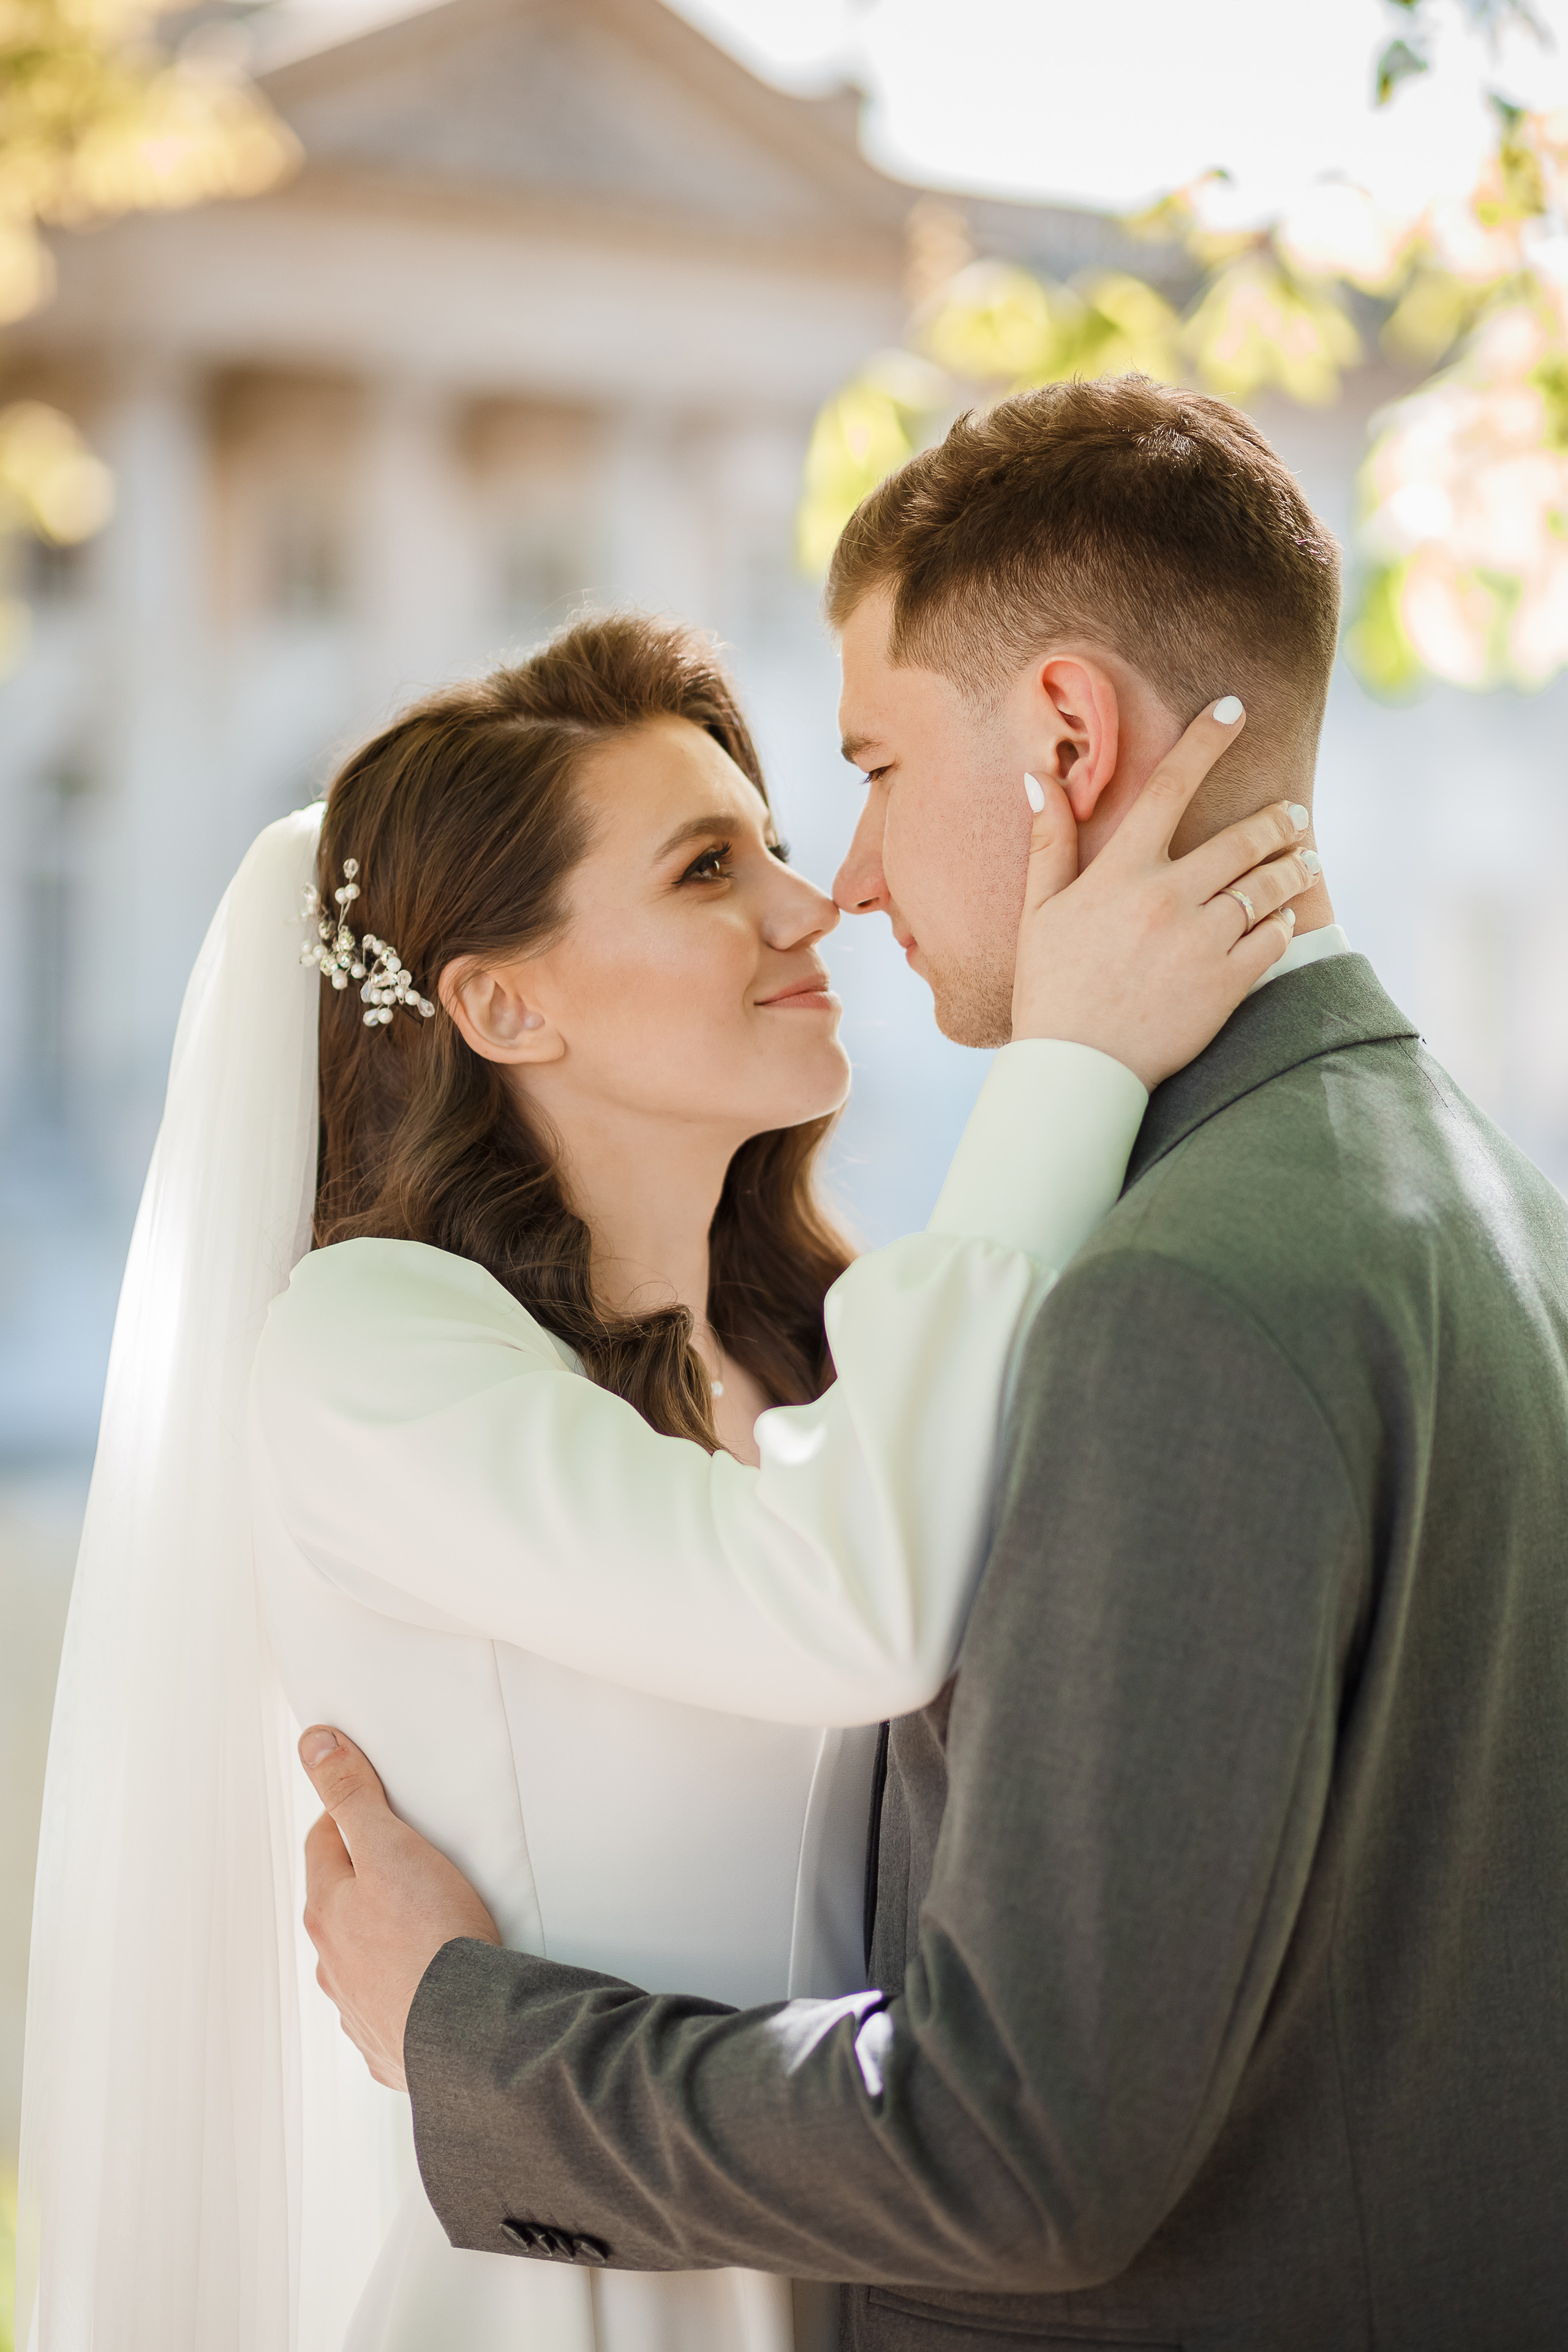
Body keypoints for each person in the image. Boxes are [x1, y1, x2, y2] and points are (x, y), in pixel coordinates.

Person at [301, 376, 1568, 2352]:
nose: (848, 884)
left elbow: (1020, 2137)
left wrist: (465, 2036)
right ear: (494, 1004)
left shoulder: (1170, 1301)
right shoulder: (1486, 1199)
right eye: (713, 867)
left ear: (1067, 737)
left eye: (872, 772)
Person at [17, 590, 1303, 2351]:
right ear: (502, 1004)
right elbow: (846, 1606)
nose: (811, 901)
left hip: (881, 2255)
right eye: (708, 870)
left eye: (769, 843)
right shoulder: (365, 1347)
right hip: (572, 2299)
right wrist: (1069, 1065)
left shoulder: (825, 1351)